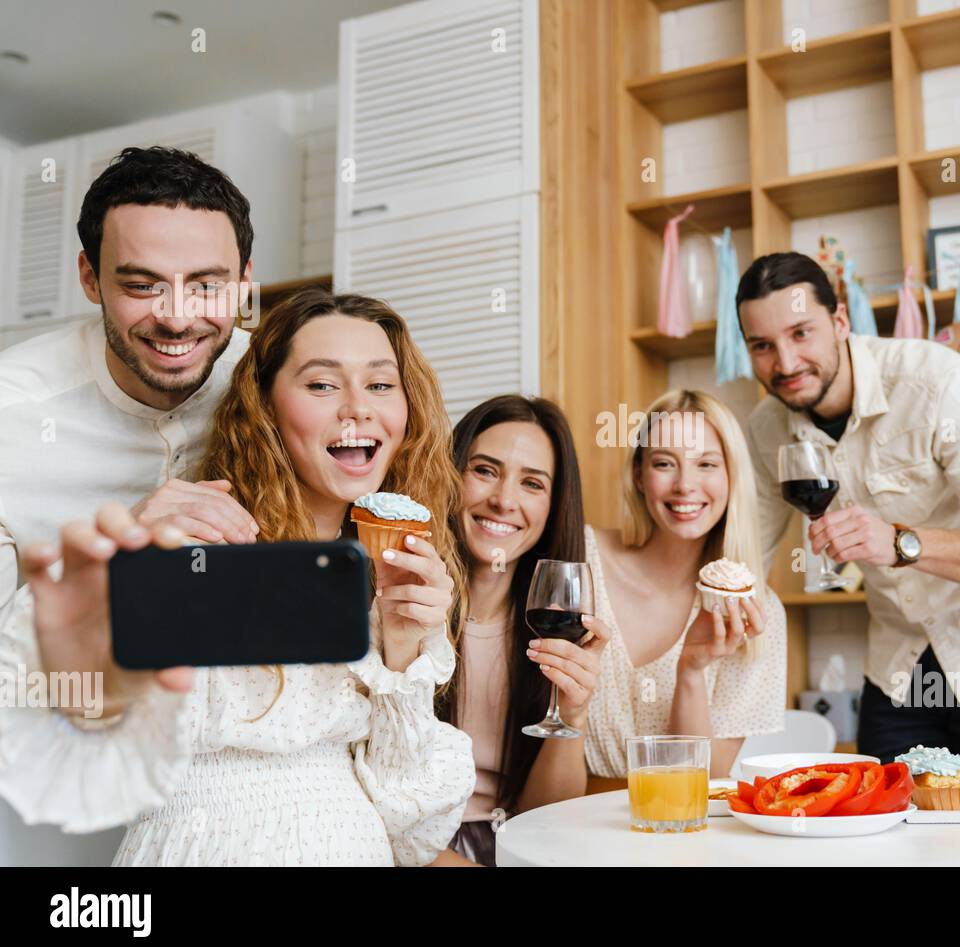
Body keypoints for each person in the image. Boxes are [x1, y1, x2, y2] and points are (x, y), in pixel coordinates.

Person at [0, 288, 475, 866]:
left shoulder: (398, 575)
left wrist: (402, 652)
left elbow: (410, 829)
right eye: (323, 385)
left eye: (380, 384)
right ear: (265, 405)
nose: (359, 407)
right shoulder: (198, 539)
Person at [0, 145, 263, 864]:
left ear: (244, 283)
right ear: (90, 277)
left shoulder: (281, 389)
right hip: (46, 815)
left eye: (207, 285)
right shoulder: (11, 415)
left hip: (235, 805)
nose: (177, 318)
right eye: (142, 285)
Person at [738, 251, 960, 762]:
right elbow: (745, 558)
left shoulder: (936, 383)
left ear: (840, 321)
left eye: (801, 333)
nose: (785, 363)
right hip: (900, 663)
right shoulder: (765, 429)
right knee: (882, 826)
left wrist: (899, 543)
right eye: (763, 345)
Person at [441, 395, 612, 866]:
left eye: (532, 483)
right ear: (449, 474)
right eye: (484, 470)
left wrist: (573, 716)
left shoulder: (554, 637)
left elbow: (548, 821)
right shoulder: (403, 607)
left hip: (518, 849)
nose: (503, 500)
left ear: (554, 506)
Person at [583, 389, 787, 781]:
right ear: (639, 475)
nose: (685, 485)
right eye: (664, 463)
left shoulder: (758, 613)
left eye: (706, 464)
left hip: (679, 826)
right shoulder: (580, 559)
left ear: (732, 477)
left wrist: (692, 671)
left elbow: (705, 781)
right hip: (568, 817)